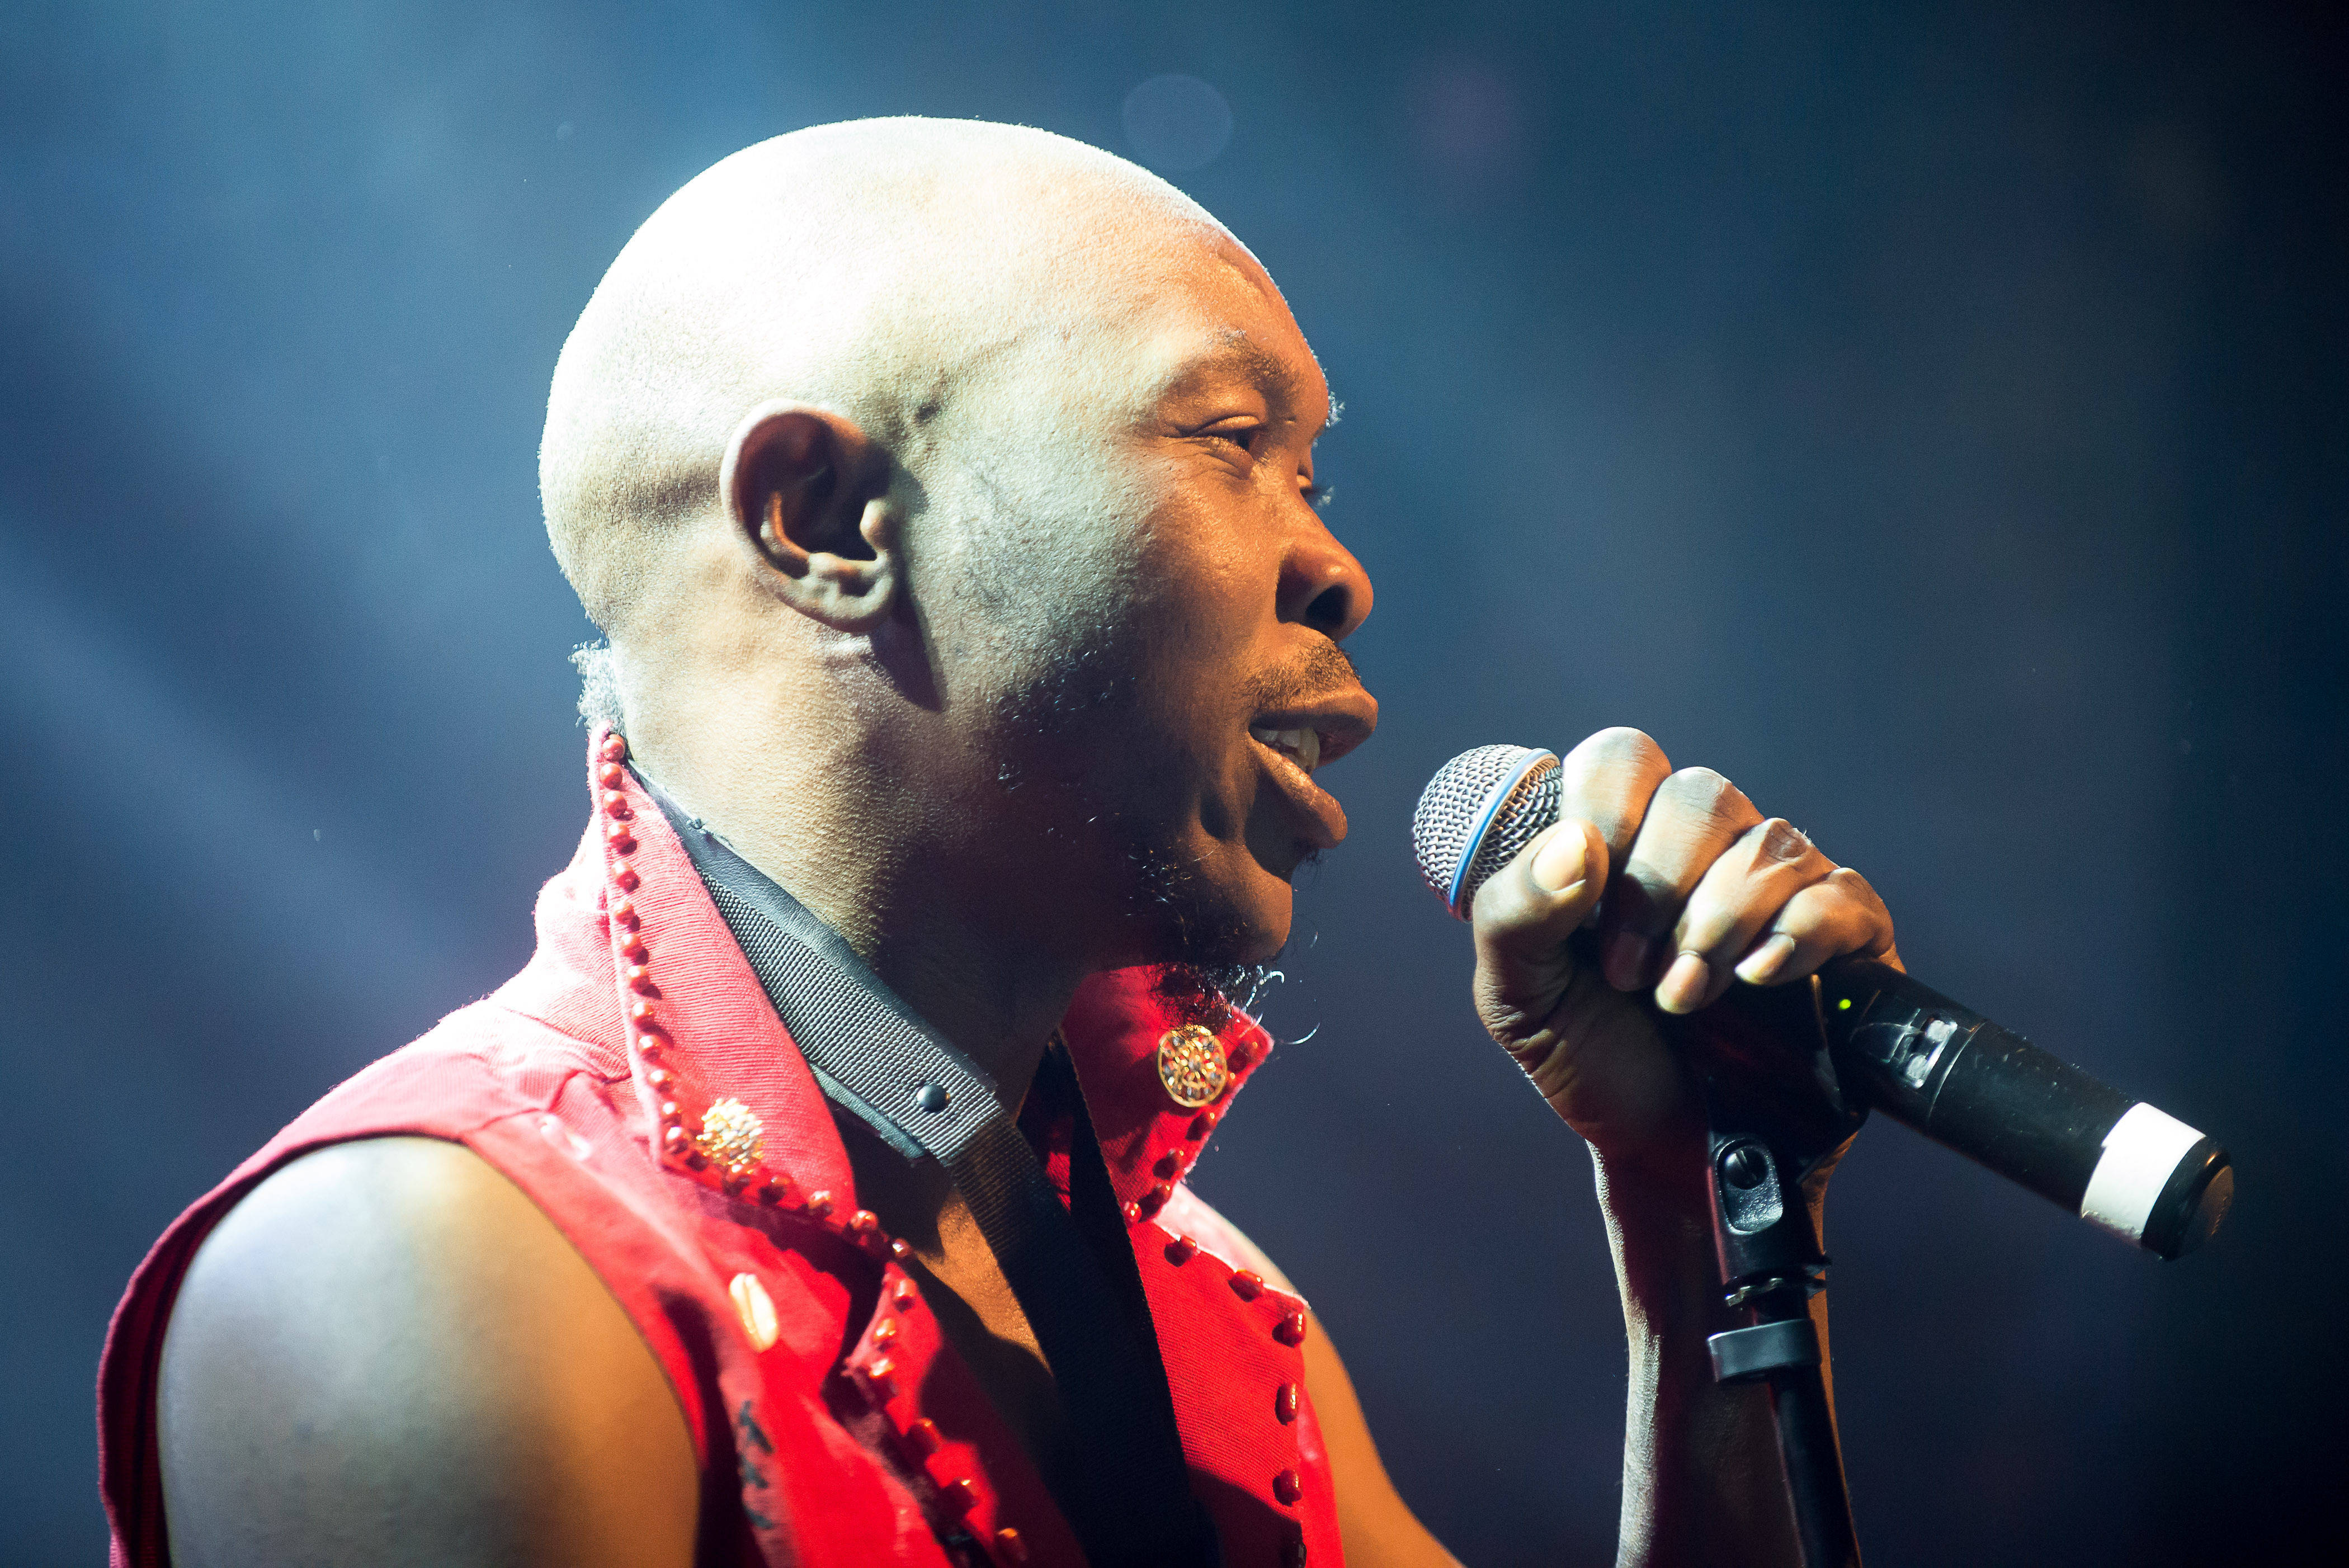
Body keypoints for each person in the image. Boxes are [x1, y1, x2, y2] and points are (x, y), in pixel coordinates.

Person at [98, 119, 1899, 1568]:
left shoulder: (1212, 1314)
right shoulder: (438, 1271)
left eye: (1315, 476)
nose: (1339, 567)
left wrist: (1696, 1248)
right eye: (1228, 436)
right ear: (823, 518)